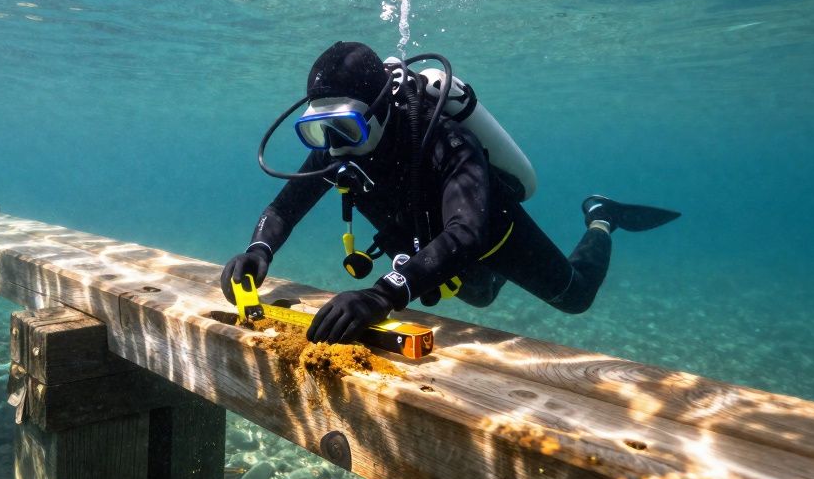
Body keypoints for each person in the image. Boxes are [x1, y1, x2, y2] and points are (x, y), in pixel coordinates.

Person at [220, 41, 679, 345]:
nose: (334, 144)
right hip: (435, 251)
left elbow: (466, 233)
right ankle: (479, 277)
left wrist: (381, 295)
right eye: (318, 131)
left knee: (575, 298)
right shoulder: (341, 145)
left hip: (489, 233)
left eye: (345, 126)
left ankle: (602, 216)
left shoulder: (444, 141)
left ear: (379, 111)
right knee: (479, 295)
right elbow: (285, 207)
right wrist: (259, 250)